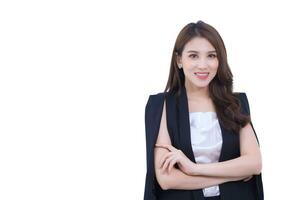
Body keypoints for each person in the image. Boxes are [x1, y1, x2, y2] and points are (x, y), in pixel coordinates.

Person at [143, 20, 264, 200]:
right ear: (179, 60)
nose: (203, 65)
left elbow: (254, 163)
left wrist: (194, 169)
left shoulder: (235, 103)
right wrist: (235, 174)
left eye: (211, 56)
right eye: (193, 56)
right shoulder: (162, 105)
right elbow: (166, 179)